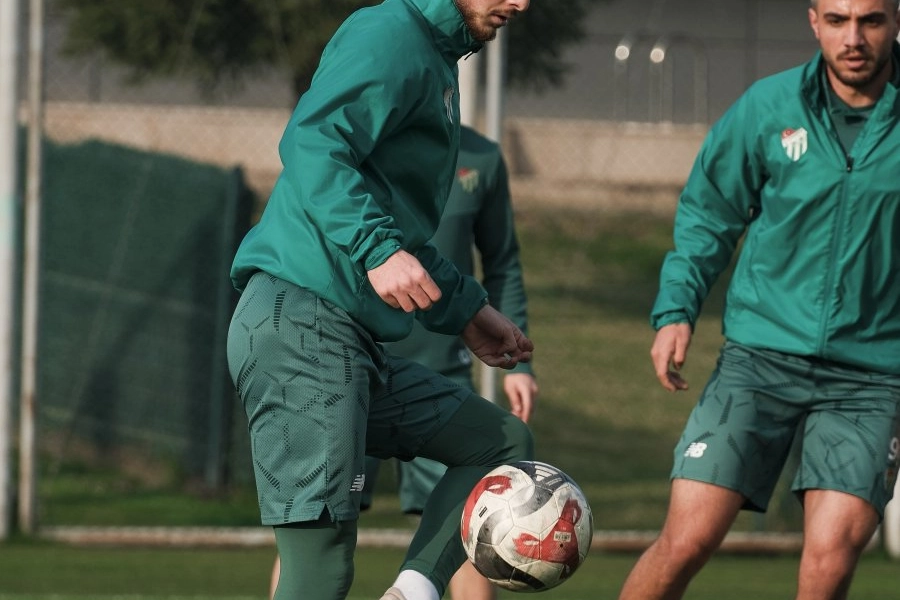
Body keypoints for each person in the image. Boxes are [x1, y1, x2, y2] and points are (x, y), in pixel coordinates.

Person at [225, 1, 534, 600]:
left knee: (500, 443)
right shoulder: (391, 33)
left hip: (346, 337)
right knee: (321, 568)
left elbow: (402, 233)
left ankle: (412, 593)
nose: (521, 3)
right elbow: (313, 142)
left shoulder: (436, 58)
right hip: (302, 323)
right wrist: (375, 249)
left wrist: (468, 311)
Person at [617, 1, 900, 599]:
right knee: (686, 540)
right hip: (759, 359)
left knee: (830, 561)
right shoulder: (768, 107)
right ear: (814, 21)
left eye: (871, 20)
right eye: (838, 20)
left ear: (896, 21)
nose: (853, 38)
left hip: (872, 377)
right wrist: (676, 311)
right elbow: (709, 215)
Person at [268, 124, 539, 600]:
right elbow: (315, 185)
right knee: (315, 531)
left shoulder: (483, 159)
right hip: (347, 360)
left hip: (444, 366)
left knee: (473, 520)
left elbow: (503, 262)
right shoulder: (356, 147)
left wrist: (521, 366)